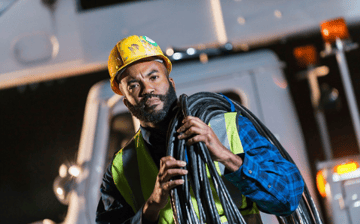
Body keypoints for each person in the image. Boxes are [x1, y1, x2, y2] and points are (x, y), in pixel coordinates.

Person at [96, 35, 304, 224]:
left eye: (153, 77)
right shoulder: (121, 168)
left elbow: (289, 197)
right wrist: (152, 205)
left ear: (171, 82)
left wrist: (226, 157)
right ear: (126, 102)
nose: (147, 89)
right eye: (133, 85)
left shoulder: (228, 127)